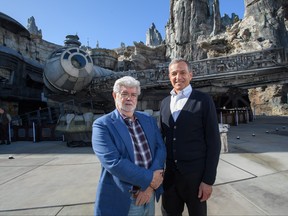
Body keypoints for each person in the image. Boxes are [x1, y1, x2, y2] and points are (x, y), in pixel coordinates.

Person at [92, 76, 166, 216]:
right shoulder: (102, 125)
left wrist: (149, 187)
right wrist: (151, 179)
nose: (129, 98)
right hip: (124, 199)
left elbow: (160, 148)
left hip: (148, 196)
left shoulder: (148, 120)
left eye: (133, 95)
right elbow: (114, 163)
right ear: (115, 96)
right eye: (124, 94)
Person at [160, 59, 221, 216]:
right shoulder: (165, 103)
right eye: (174, 73)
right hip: (170, 179)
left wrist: (208, 181)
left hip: (195, 179)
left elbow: (213, 142)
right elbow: (161, 140)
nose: (178, 77)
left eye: (182, 73)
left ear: (190, 75)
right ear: (169, 76)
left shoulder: (203, 100)